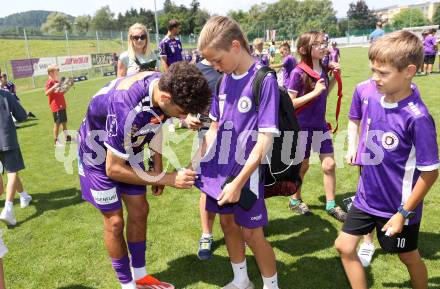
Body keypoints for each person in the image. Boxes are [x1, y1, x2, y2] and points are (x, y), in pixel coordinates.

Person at [78, 61, 211, 289]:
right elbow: (114, 169)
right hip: (98, 156)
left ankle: (140, 277)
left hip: (129, 146)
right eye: (182, 112)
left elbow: (156, 122)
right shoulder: (126, 105)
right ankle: (127, 285)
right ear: (167, 98)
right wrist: (167, 178)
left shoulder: (165, 85)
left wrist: (156, 167)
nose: (183, 117)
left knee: (140, 210)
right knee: (115, 222)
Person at [335, 30, 439, 289]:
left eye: (383, 73)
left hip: (397, 208)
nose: (375, 78)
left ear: (409, 71)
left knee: (408, 257)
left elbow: (430, 173)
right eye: (373, 70)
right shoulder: (373, 98)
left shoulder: (418, 118)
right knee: (344, 246)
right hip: (366, 198)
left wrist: (403, 213)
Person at [195, 16, 281, 289]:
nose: (216, 67)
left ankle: (271, 285)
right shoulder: (222, 82)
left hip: (248, 174)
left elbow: (264, 141)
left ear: (235, 46)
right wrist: (197, 161)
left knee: (252, 233)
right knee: (228, 225)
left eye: (218, 60)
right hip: (222, 170)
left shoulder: (263, 79)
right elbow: (214, 128)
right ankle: (241, 280)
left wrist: (238, 182)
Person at [286, 31, 346, 222]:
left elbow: (324, 94)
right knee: (302, 167)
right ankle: (295, 200)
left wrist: (335, 79)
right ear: (304, 49)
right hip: (301, 127)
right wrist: (315, 92)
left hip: (320, 125)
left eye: (323, 43)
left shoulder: (324, 68)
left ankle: (331, 205)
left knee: (329, 165)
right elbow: (289, 103)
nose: (323, 47)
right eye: (317, 44)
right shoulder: (297, 72)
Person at [0, 89, 32, 226]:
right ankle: (8, 208)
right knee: (12, 172)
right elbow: (21, 116)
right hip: (7, 139)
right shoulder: (6, 95)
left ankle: (24, 196)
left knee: (12, 170)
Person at [159, 19, 184, 133]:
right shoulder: (164, 42)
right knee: (169, 98)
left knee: (181, 97)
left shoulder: (178, 41)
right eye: (178, 27)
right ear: (173, 28)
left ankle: (182, 119)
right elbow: (163, 60)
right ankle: (170, 124)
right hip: (171, 74)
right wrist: (168, 75)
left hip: (181, 73)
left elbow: (181, 57)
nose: (179, 30)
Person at [45, 64, 71, 146]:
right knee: (57, 123)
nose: (58, 72)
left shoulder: (56, 81)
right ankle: (56, 141)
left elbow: (61, 93)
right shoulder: (50, 82)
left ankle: (67, 137)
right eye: (57, 70)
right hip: (56, 106)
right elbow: (46, 93)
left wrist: (67, 87)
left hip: (62, 104)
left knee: (64, 122)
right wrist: (54, 87)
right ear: (51, 72)